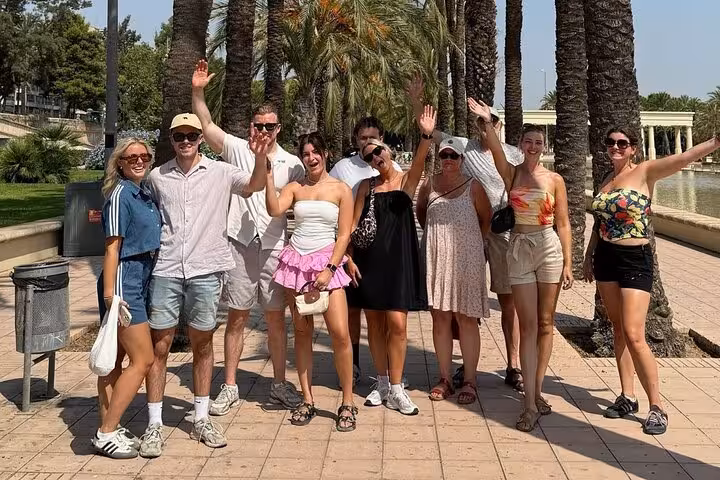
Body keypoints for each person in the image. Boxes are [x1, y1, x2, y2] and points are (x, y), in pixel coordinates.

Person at [138, 111, 269, 457]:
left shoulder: (221, 172)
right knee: (160, 347)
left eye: (191, 136)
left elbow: (255, 185)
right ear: (171, 139)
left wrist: (259, 157)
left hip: (206, 270)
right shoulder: (157, 177)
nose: (185, 141)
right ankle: (154, 424)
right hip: (166, 270)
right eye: (179, 136)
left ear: (199, 139)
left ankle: (199, 418)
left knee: (203, 345)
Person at [584, 128, 720, 435]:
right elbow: (599, 222)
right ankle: (627, 396)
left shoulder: (646, 172)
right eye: (610, 143)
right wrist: (588, 256)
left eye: (622, 143)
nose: (615, 147)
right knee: (617, 329)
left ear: (633, 148)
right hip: (605, 258)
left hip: (635, 261)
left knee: (634, 334)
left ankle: (657, 406)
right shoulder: (606, 178)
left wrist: (715, 141)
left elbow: (684, 157)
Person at [191, 60, 305, 415]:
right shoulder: (237, 148)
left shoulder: (293, 164)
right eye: (259, 125)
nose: (264, 130)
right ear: (251, 126)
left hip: (273, 247)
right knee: (237, 317)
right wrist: (198, 90)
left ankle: (279, 385)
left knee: (275, 319)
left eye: (270, 126)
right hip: (239, 246)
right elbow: (206, 125)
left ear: (279, 128)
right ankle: (229, 386)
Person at [408, 76, 524, 391]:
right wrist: (417, 99)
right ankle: (458, 369)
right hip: (468, 234)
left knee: (507, 300)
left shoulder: (512, 154)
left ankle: (513, 363)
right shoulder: (464, 149)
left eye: (492, 122)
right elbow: (430, 133)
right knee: (453, 305)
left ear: (497, 125)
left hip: (500, 231)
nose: (487, 127)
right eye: (482, 123)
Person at [477, 100, 574, 432]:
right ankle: (530, 403)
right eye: (528, 141)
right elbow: (491, 144)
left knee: (546, 325)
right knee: (529, 325)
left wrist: (568, 263)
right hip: (518, 247)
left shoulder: (555, 180)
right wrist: (487, 120)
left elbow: (563, 224)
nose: (533, 146)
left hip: (548, 247)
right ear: (520, 145)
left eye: (539, 142)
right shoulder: (512, 172)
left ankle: (537, 391)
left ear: (544, 147)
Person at [346, 105, 435, 415]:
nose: (376, 158)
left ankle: (397, 388)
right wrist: (348, 259)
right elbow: (352, 227)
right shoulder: (364, 187)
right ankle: (382, 383)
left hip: (397, 262)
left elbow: (422, 160)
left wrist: (425, 132)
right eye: (369, 156)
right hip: (369, 263)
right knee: (375, 325)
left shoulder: (405, 181)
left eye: (378, 151)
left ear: (387, 147)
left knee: (397, 324)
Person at [266, 132, 358, 431]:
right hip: (297, 263)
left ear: (326, 153)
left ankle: (347, 401)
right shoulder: (295, 187)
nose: (311, 157)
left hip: (327, 264)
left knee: (340, 334)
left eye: (316, 152)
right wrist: (267, 176)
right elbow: (275, 210)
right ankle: (307, 399)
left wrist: (331, 268)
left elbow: (343, 234)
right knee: (302, 334)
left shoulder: (342, 189)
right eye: (306, 153)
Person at [92, 138, 159, 459]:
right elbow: (111, 248)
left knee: (114, 363)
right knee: (143, 360)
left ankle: (109, 426)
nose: (139, 160)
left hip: (139, 279)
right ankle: (106, 432)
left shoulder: (141, 192)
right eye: (131, 157)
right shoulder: (120, 195)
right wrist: (111, 295)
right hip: (124, 283)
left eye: (144, 156)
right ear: (119, 162)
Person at [416, 137, 493, 404]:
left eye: (454, 155)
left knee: (466, 318)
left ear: (462, 159)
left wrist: (473, 244)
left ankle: (470, 380)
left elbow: (486, 218)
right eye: (444, 155)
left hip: (468, 259)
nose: (448, 159)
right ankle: (445, 378)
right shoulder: (429, 184)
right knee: (440, 318)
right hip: (437, 257)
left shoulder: (474, 187)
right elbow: (422, 213)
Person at [329, 117, 402, 385]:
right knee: (351, 312)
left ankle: (388, 373)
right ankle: (353, 364)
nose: (367, 143)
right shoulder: (342, 168)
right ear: (356, 140)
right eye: (362, 138)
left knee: (382, 316)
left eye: (372, 137)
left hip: (385, 252)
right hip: (351, 251)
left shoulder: (391, 166)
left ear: (381, 137)